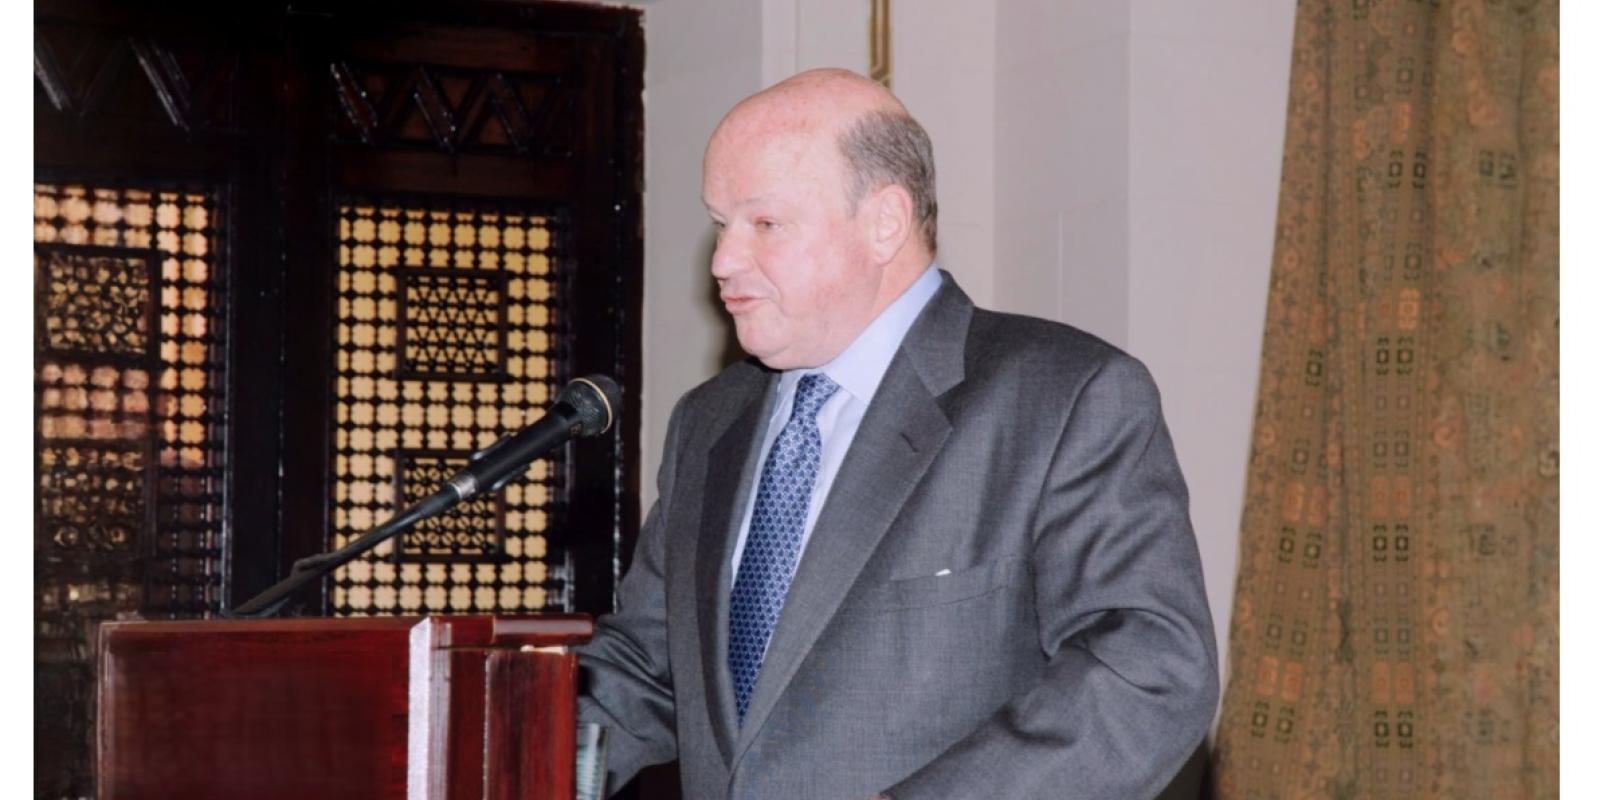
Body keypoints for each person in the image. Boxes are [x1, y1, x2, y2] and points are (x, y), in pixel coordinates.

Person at [577, 68, 1218, 800]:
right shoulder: (709, 421)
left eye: (764, 223)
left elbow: (1148, 670)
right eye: (720, 225)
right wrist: (473, 750)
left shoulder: (1061, 397)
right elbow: (645, 670)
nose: (723, 261)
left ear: (884, 221)